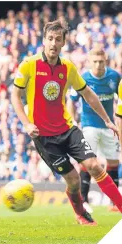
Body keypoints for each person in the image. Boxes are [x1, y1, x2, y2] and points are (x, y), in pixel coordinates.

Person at [11, 19, 122, 226]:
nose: (53, 43)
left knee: (94, 166)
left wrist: (107, 120)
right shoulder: (29, 65)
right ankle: (81, 213)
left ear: (63, 43)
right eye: (50, 39)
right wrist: (26, 123)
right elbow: (15, 95)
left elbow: (88, 94)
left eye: (58, 39)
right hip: (44, 137)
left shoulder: (68, 67)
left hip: (68, 129)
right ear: (44, 40)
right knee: (73, 180)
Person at [68, 48, 121, 213]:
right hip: (89, 125)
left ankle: (114, 203)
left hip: (109, 125)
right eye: (95, 61)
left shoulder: (114, 77)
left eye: (101, 61)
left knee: (113, 162)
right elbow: (72, 99)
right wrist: (72, 120)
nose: (98, 65)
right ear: (90, 61)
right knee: (89, 162)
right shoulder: (83, 78)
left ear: (106, 60)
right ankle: (83, 200)